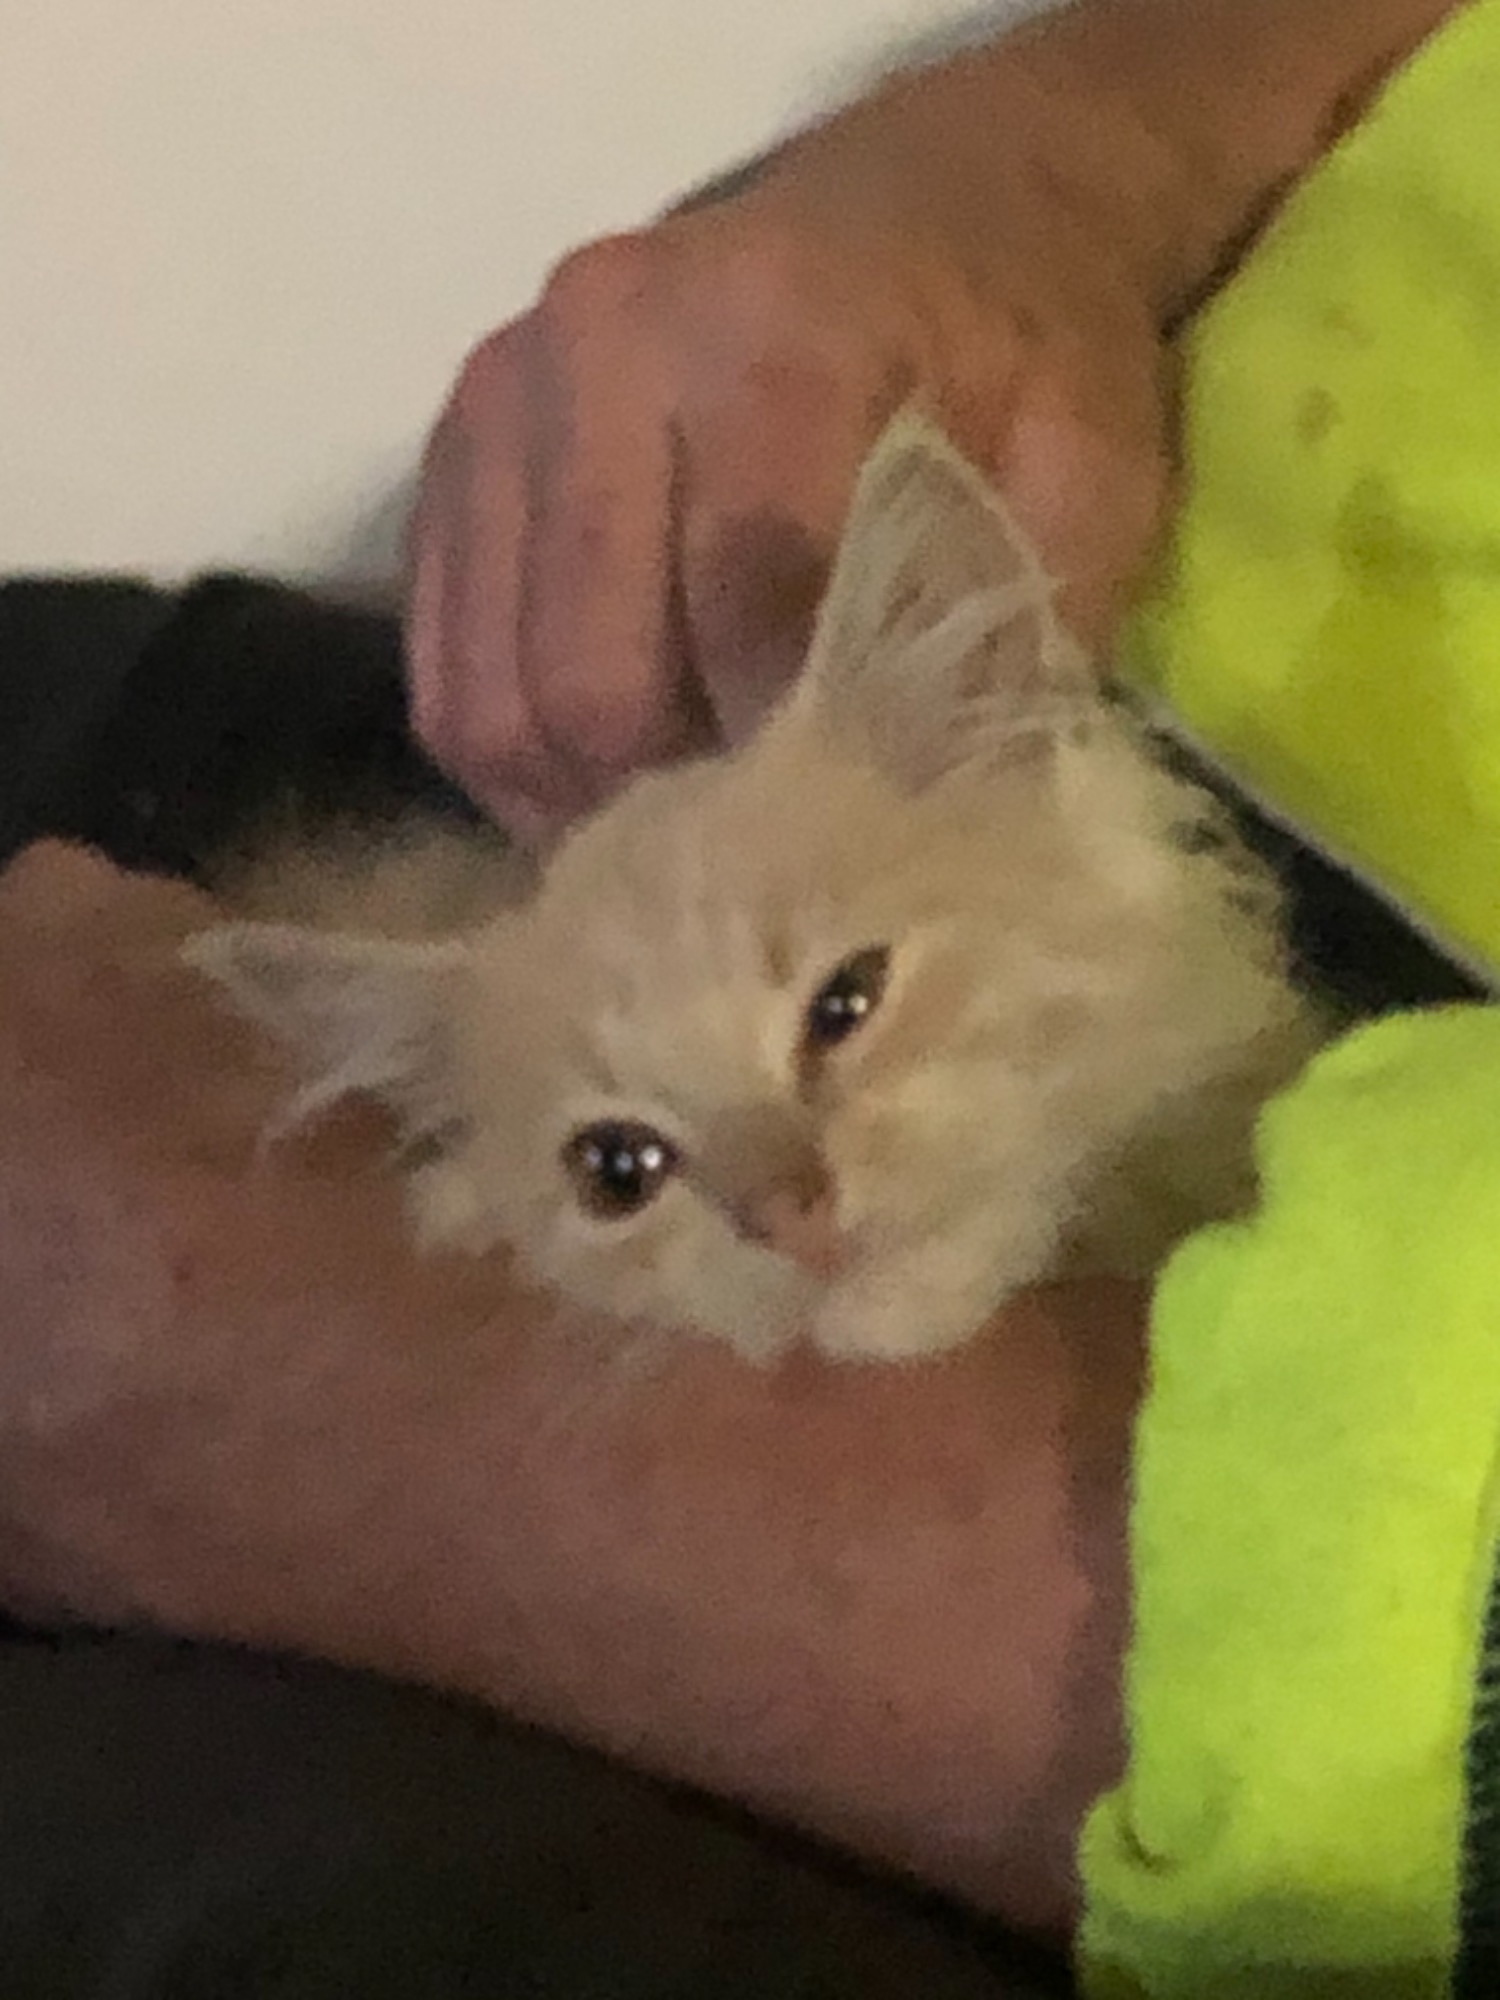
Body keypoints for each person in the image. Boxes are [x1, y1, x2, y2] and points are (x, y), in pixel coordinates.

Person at [1, 0, 1493, 1991]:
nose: (786, 1199)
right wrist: (1064, 156)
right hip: (798, 744)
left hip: (1203, 1529)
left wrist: (342, 1399)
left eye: (842, 1018)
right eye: (629, 1164)